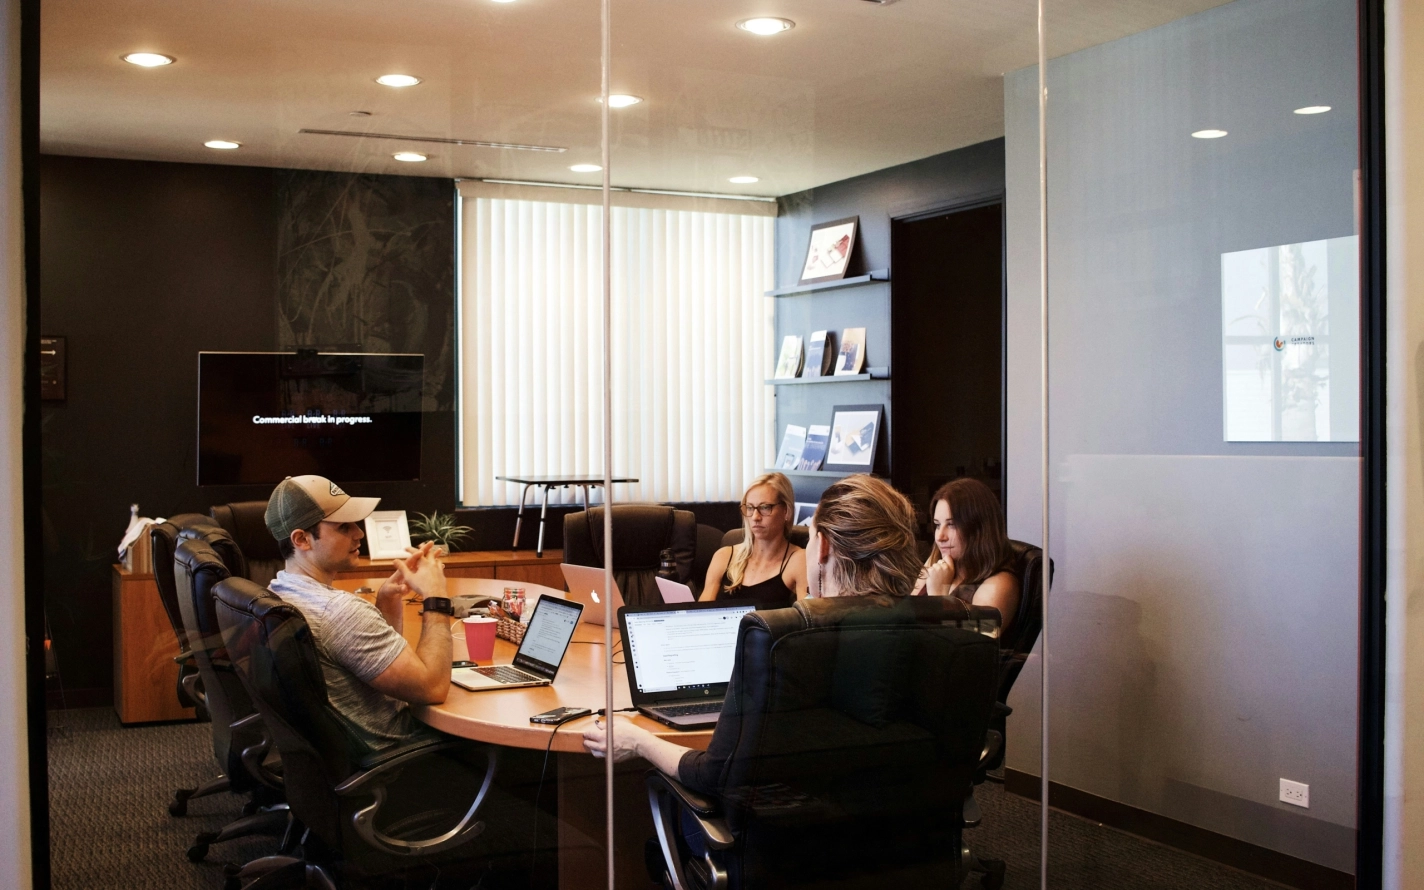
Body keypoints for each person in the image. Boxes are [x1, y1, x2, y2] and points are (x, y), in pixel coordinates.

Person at [584, 473, 923, 785]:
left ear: (820, 548)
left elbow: (714, 772)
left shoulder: (782, 647)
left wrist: (639, 740)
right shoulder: (942, 631)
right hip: (911, 835)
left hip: (785, 835)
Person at [264, 474, 454, 750]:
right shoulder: (339, 612)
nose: (359, 533)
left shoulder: (278, 589)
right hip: (399, 755)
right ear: (302, 539)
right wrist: (436, 596)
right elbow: (432, 688)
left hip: (338, 757)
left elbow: (368, 662)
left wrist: (387, 600)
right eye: (343, 527)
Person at [911, 478, 1020, 633]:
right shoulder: (937, 561)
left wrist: (938, 597)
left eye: (952, 524)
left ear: (979, 528)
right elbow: (907, 620)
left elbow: (971, 647)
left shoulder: (1000, 584)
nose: (940, 537)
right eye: (937, 525)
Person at [701, 472, 808, 607]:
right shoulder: (723, 556)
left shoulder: (799, 560)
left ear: (786, 511)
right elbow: (700, 615)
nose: (755, 517)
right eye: (750, 508)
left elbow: (808, 621)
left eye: (764, 508)